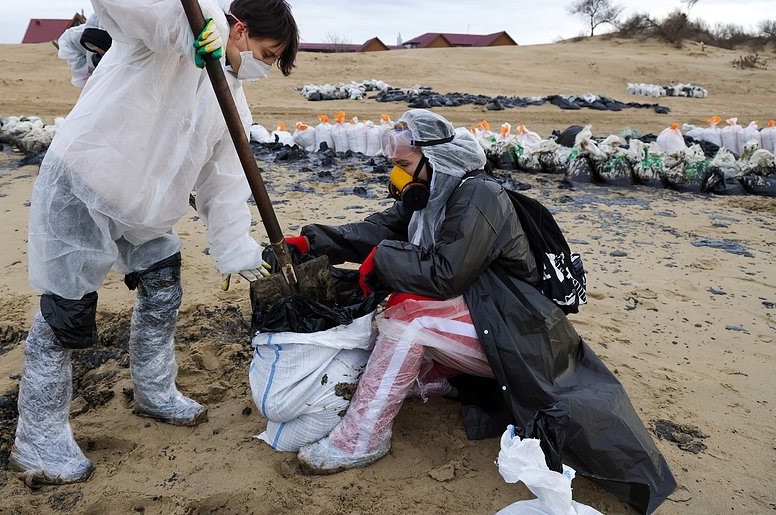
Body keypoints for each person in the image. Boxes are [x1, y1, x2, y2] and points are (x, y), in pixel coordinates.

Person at [286, 109, 676, 514]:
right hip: (486, 315)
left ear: (433, 160)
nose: (398, 177)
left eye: (404, 165)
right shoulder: (433, 192)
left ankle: (361, 440)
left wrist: (381, 261)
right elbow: (378, 230)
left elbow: (445, 273)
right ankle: (437, 383)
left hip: (516, 330)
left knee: (409, 320)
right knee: (402, 304)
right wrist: (311, 242)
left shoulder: (479, 196)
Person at [10, 0, 299, 487]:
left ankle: (154, 390)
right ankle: (39, 438)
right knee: (65, 312)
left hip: (146, 211)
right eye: (264, 53)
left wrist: (238, 249)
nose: (261, 65)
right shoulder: (174, 35)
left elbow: (224, 185)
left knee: (164, 285)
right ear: (239, 29)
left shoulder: (231, 101)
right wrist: (191, 21)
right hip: (84, 186)